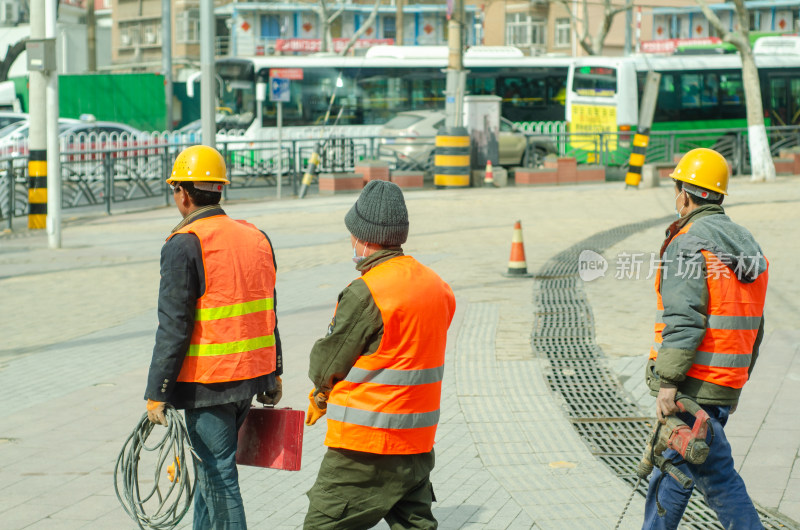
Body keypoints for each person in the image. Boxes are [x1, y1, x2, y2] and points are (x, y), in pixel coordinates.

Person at [144, 145, 283, 529]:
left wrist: (157, 391)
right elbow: (268, 310)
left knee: (218, 478)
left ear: (183, 194)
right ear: (219, 189)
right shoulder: (256, 237)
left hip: (209, 385)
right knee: (210, 475)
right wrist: (275, 373)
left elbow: (173, 325)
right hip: (250, 378)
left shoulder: (184, 244)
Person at [303, 180, 456, 529]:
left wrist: (322, 390)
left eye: (352, 235)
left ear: (363, 236)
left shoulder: (366, 293)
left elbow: (325, 363)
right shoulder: (437, 286)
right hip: (416, 443)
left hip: (365, 446)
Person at [643, 148, 768, 529]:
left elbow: (684, 321)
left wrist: (668, 382)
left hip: (693, 386)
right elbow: (756, 327)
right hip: (722, 384)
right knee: (673, 468)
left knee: (716, 480)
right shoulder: (747, 245)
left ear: (686, 192)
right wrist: (736, 383)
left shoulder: (688, 243)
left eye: (677, 187)